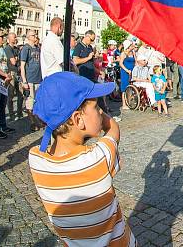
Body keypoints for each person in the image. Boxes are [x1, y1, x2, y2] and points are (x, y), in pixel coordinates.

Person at [28, 72, 134, 245]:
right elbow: (113, 128)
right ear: (78, 119)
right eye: (96, 107)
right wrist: (101, 120)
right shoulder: (97, 159)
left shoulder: (35, 159)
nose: (101, 111)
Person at [20, 31, 43, 131]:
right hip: (30, 79)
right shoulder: (26, 48)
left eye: (36, 35)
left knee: (38, 101)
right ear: (29, 37)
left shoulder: (37, 48)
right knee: (30, 101)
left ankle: (38, 120)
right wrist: (24, 81)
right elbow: (22, 65)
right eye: (33, 35)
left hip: (38, 78)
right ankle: (32, 122)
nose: (36, 36)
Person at [5, 32, 24, 122]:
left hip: (19, 73)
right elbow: (13, 61)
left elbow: (20, 60)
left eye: (15, 37)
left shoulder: (16, 48)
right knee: (11, 95)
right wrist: (17, 60)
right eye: (14, 37)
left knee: (21, 93)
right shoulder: (8, 48)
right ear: (9, 39)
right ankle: (11, 114)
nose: (15, 38)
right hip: (12, 72)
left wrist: (17, 60)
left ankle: (19, 112)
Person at [118, 40, 135, 104]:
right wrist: (126, 70)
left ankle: (129, 102)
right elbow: (120, 63)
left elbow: (135, 61)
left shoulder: (133, 53)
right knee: (124, 88)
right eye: (131, 45)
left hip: (132, 71)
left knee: (131, 87)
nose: (132, 46)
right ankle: (124, 104)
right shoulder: (123, 53)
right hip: (125, 72)